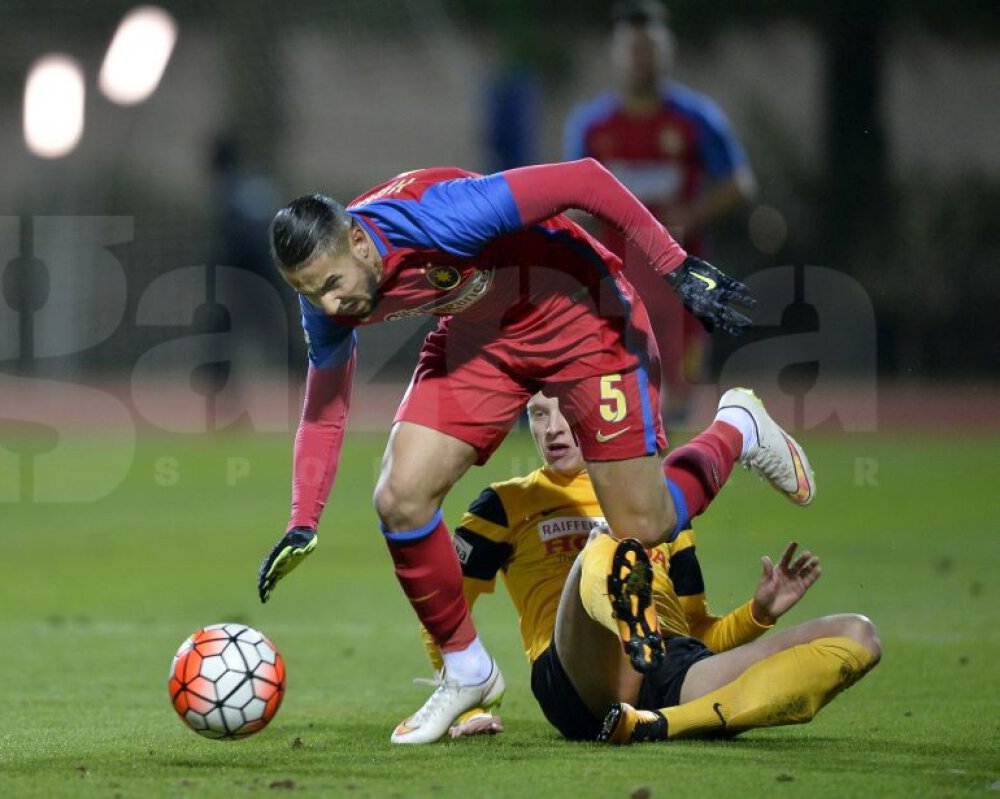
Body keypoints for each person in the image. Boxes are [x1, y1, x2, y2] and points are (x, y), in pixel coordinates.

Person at [256, 157, 813, 744]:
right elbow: (324, 406)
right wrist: (302, 519)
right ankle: (466, 669)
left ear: (359, 241)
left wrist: (673, 267)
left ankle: (738, 428)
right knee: (400, 497)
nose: (325, 306)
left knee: (642, 523)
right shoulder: (325, 293)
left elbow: (586, 180)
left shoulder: (441, 216)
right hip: (484, 338)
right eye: (307, 293)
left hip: (582, 314)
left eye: (331, 285)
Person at [442, 391, 879, 742]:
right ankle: (631, 626)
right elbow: (444, 611)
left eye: (567, 412)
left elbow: (699, 632)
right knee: (612, 537)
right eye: (538, 415)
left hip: (667, 668)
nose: (553, 429)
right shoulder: (505, 504)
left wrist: (759, 613)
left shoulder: (661, 507)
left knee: (858, 635)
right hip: (579, 676)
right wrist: (472, 706)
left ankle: (660, 724)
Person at [563, 0, 756, 424]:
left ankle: (675, 485)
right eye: (631, 49)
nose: (639, 58)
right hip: (615, 280)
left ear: (665, 53)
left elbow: (739, 184)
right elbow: (570, 197)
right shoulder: (592, 127)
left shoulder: (694, 119)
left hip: (679, 283)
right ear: (616, 57)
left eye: (648, 48)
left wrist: (692, 215)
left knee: (676, 401)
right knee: (617, 397)